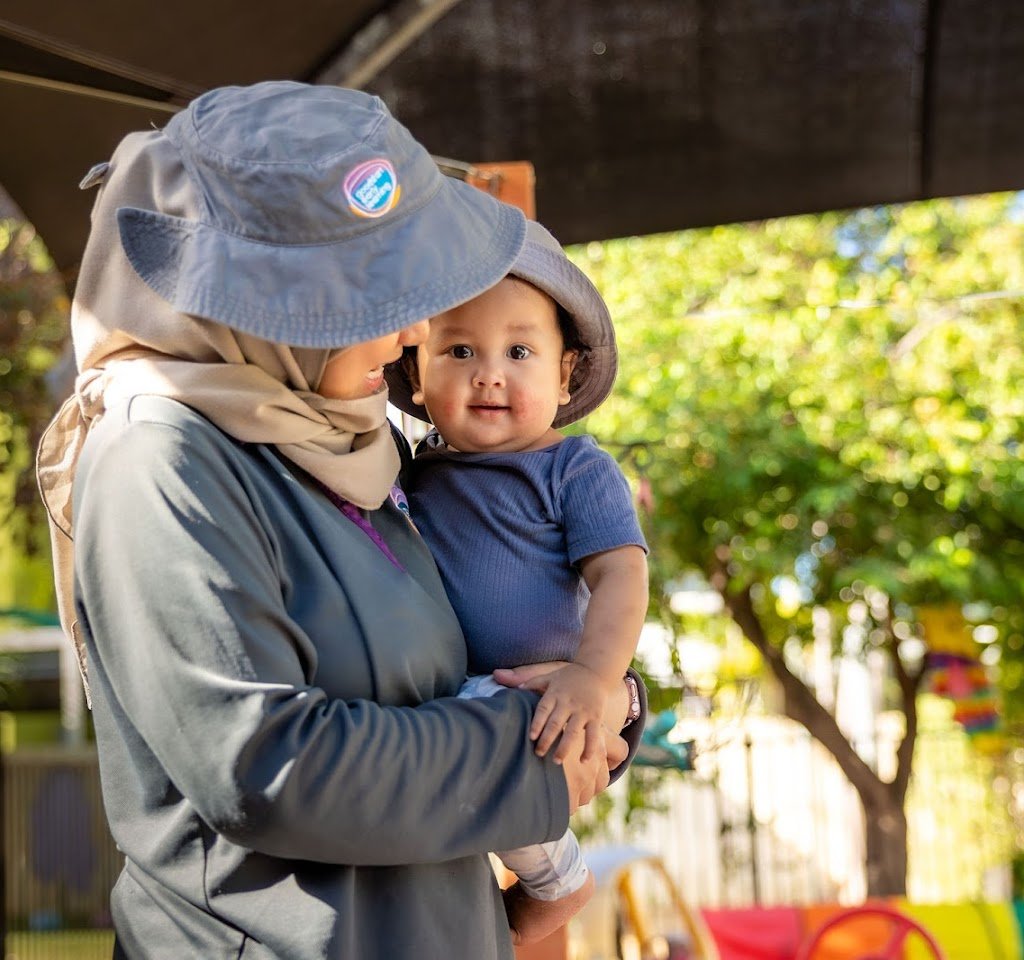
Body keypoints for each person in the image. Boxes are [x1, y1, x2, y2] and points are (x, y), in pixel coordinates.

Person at [35, 81, 644, 959]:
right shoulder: (157, 457)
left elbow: (461, 653)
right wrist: (533, 744)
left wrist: (600, 695)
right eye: (372, 296)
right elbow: (267, 768)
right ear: (268, 302)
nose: (410, 333)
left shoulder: (345, 442)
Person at [385, 220, 650, 944]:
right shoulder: (409, 471)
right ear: (416, 372)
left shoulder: (574, 468)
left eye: (519, 352)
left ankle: (557, 881)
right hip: (454, 698)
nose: (489, 373)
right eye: (459, 350)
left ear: (565, 374)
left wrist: (595, 677)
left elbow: (621, 575)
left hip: (540, 697)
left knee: (502, 733)